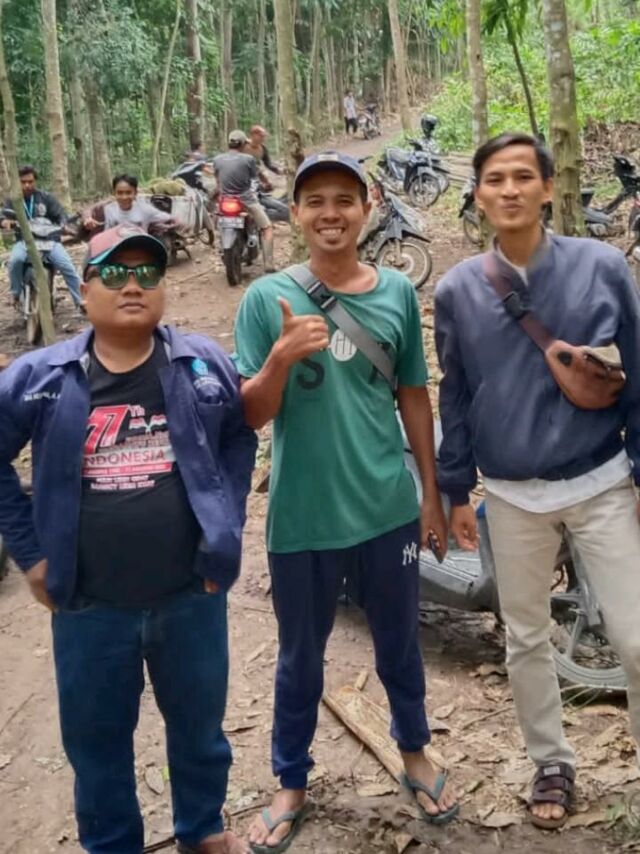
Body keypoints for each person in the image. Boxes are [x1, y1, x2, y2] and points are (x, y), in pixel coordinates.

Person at [0, 224, 257, 854]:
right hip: (89, 606)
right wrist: (30, 553)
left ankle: (201, 829)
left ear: (163, 287)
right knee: (96, 741)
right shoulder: (42, 375)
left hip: (190, 596)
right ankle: (112, 843)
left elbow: (238, 436)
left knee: (199, 731)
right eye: (114, 273)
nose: (133, 285)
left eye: (147, 273)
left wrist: (224, 524)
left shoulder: (201, 363)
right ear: (84, 291)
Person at [233, 151, 458, 854]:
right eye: (315, 201)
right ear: (296, 214)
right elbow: (250, 415)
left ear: (366, 210)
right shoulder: (264, 299)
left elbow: (414, 396)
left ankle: (414, 750)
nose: (330, 213)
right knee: (300, 656)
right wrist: (280, 359)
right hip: (302, 516)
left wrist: (429, 495)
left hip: (387, 507)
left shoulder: (396, 293)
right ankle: (291, 781)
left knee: (400, 643)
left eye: (344, 199)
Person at [435, 131, 640, 830]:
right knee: (525, 637)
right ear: (478, 194)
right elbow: (455, 394)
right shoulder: (458, 289)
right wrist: (455, 490)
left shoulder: (602, 267)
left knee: (635, 637)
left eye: (524, 176)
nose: (510, 189)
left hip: (601, 480)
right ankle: (551, 761)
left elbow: (637, 370)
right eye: (495, 179)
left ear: (549, 188)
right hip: (511, 494)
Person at [1, 164, 83, 311]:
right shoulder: (13, 200)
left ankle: (81, 301)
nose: (27, 185)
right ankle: (15, 293)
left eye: (30, 181)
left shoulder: (46, 198)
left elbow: (61, 215)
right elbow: (3, 216)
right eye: (23, 182)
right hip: (24, 241)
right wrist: (5, 222)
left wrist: (65, 225)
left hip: (50, 241)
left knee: (66, 265)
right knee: (15, 261)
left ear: (35, 181)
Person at [213, 130, 275, 272]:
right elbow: (255, 178)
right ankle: (269, 264)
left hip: (225, 200)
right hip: (246, 200)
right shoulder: (248, 159)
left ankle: (221, 243)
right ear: (242, 144)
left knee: (218, 221)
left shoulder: (217, 159)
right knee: (267, 228)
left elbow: (218, 181)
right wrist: (266, 184)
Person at [83, 174, 175, 233]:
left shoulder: (145, 209)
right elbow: (88, 210)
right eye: (120, 193)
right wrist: (88, 219)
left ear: (135, 193)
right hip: (114, 249)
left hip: (140, 248)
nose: (124, 197)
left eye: (128, 193)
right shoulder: (108, 208)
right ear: (114, 193)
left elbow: (169, 218)